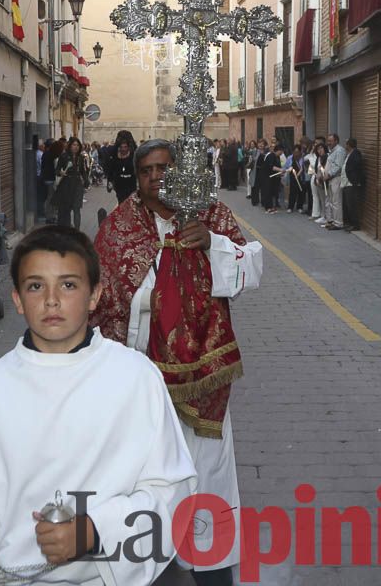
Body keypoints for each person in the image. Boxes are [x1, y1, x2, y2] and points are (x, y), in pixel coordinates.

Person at [0, 225, 197, 586]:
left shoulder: (135, 378)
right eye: (36, 286)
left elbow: (171, 490)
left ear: (95, 295)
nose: (51, 300)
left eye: (68, 285)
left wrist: (95, 531)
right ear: (18, 299)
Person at [91, 140, 264, 585]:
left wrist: (214, 246)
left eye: (164, 167)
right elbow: (99, 299)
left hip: (203, 380)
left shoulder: (209, 214)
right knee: (145, 483)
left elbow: (253, 269)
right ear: (136, 175)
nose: (156, 177)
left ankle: (211, 568)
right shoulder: (117, 228)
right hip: (142, 378)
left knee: (205, 476)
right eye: (146, 170)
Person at [54, 137, 91, 229]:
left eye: (78, 145)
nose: (76, 147)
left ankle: (77, 230)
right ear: (70, 146)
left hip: (77, 185)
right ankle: (66, 229)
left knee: (77, 208)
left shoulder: (81, 157)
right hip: (67, 184)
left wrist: (86, 181)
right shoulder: (64, 156)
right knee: (66, 209)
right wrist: (61, 172)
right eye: (74, 145)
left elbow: (83, 172)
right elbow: (57, 170)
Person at [318, 134, 347, 230]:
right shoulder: (332, 151)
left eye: (331, 141)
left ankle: (338, 223)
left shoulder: (340, 151)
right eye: (328, 141)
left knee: (336, 201)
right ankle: (334, 221)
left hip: (336, 179)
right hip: (330, 179)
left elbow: (338, 166)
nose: (328, 143)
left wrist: (328, 174)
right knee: (332, 201)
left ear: (336, 141)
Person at [339, 138, 365, 232]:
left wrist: (354, 179)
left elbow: (357, 167)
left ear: (349, 145)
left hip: (351, 184)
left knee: (352, 205)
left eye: (346, 144)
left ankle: (355, 225)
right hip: (346, 184)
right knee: (347, 205)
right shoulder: (349, 154)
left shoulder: (356, 153)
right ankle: (349, 223)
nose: (345, 146)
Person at [105, 133, 137, 205]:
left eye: (125, 147)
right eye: (121, 147)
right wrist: (110, 181)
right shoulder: (114, 155)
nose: (123, 149)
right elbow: (111, 169)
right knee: (122, 203)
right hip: (119, 185)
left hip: (131, 184)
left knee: (131, 204)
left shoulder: (134, 155)